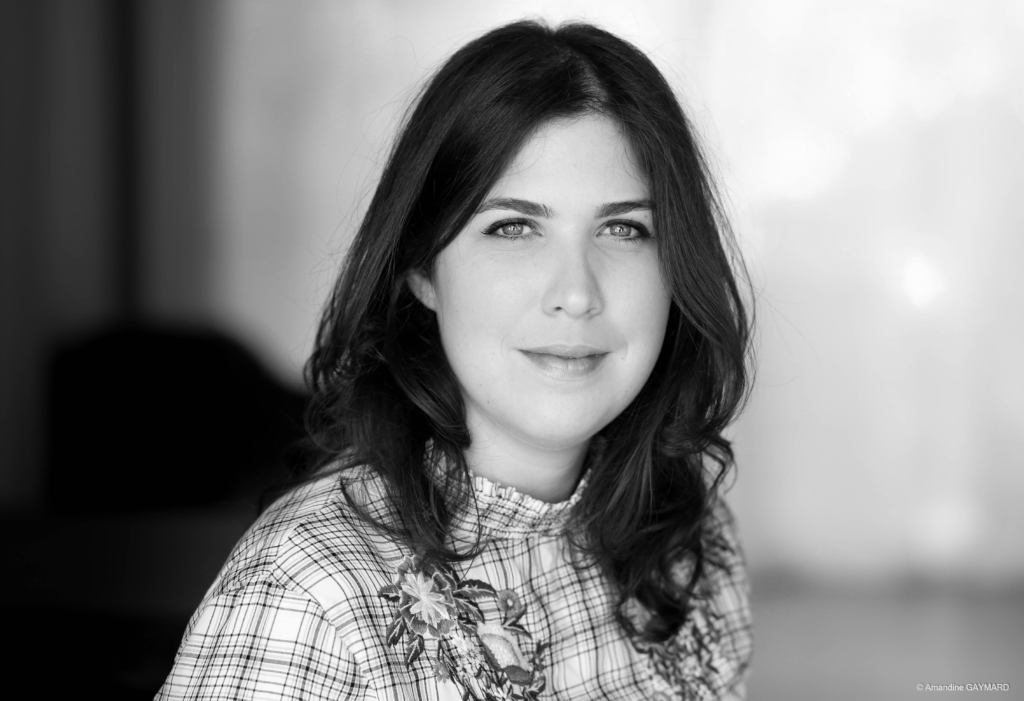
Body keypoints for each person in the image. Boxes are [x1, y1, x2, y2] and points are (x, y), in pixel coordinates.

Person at [158, 19, 753, 701]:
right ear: (422, 269)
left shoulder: (691, 542)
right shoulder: (308, 593)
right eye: (513, 227)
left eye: (624, 228)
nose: (576, 293)